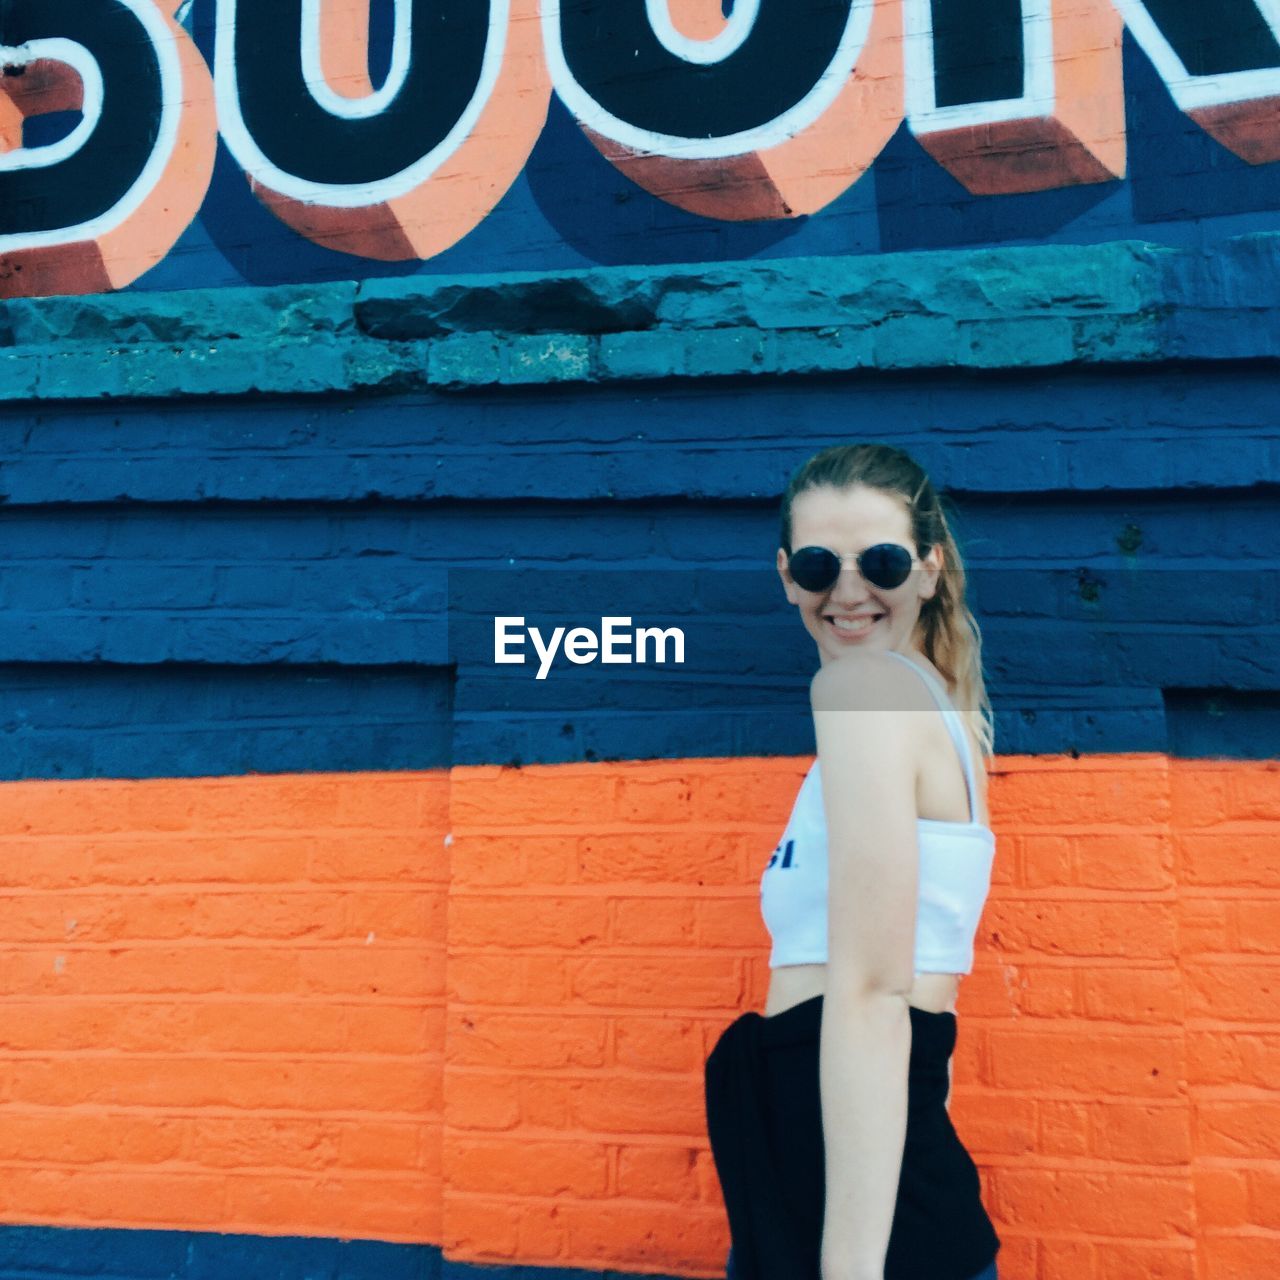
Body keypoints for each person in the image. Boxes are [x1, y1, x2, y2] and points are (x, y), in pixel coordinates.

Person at [704, 443, 1002, 1280]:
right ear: (784, 574)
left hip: (859, 1237)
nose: (846, 591)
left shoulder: (862, 690)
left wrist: (848, 1271)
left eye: (879, 560)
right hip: (845, 1203)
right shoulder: (927, 707)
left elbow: (873, 991)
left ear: (929, 569)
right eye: (815, 564)